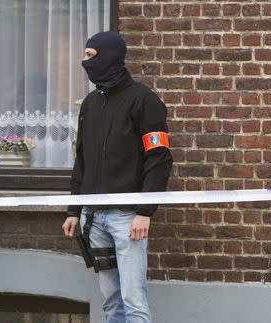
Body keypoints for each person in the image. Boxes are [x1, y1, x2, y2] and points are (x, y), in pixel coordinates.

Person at [62, 31, 173, 323]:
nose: (84, 62)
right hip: (93, 217)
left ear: (110, 55)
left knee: (133, 299)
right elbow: (82, 160)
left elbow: (159, 158)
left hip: (128, 219)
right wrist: (75, 209)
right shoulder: (90, 104)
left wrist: (145, 211)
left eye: (90, 55)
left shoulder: (144, 101)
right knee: (111, 301)